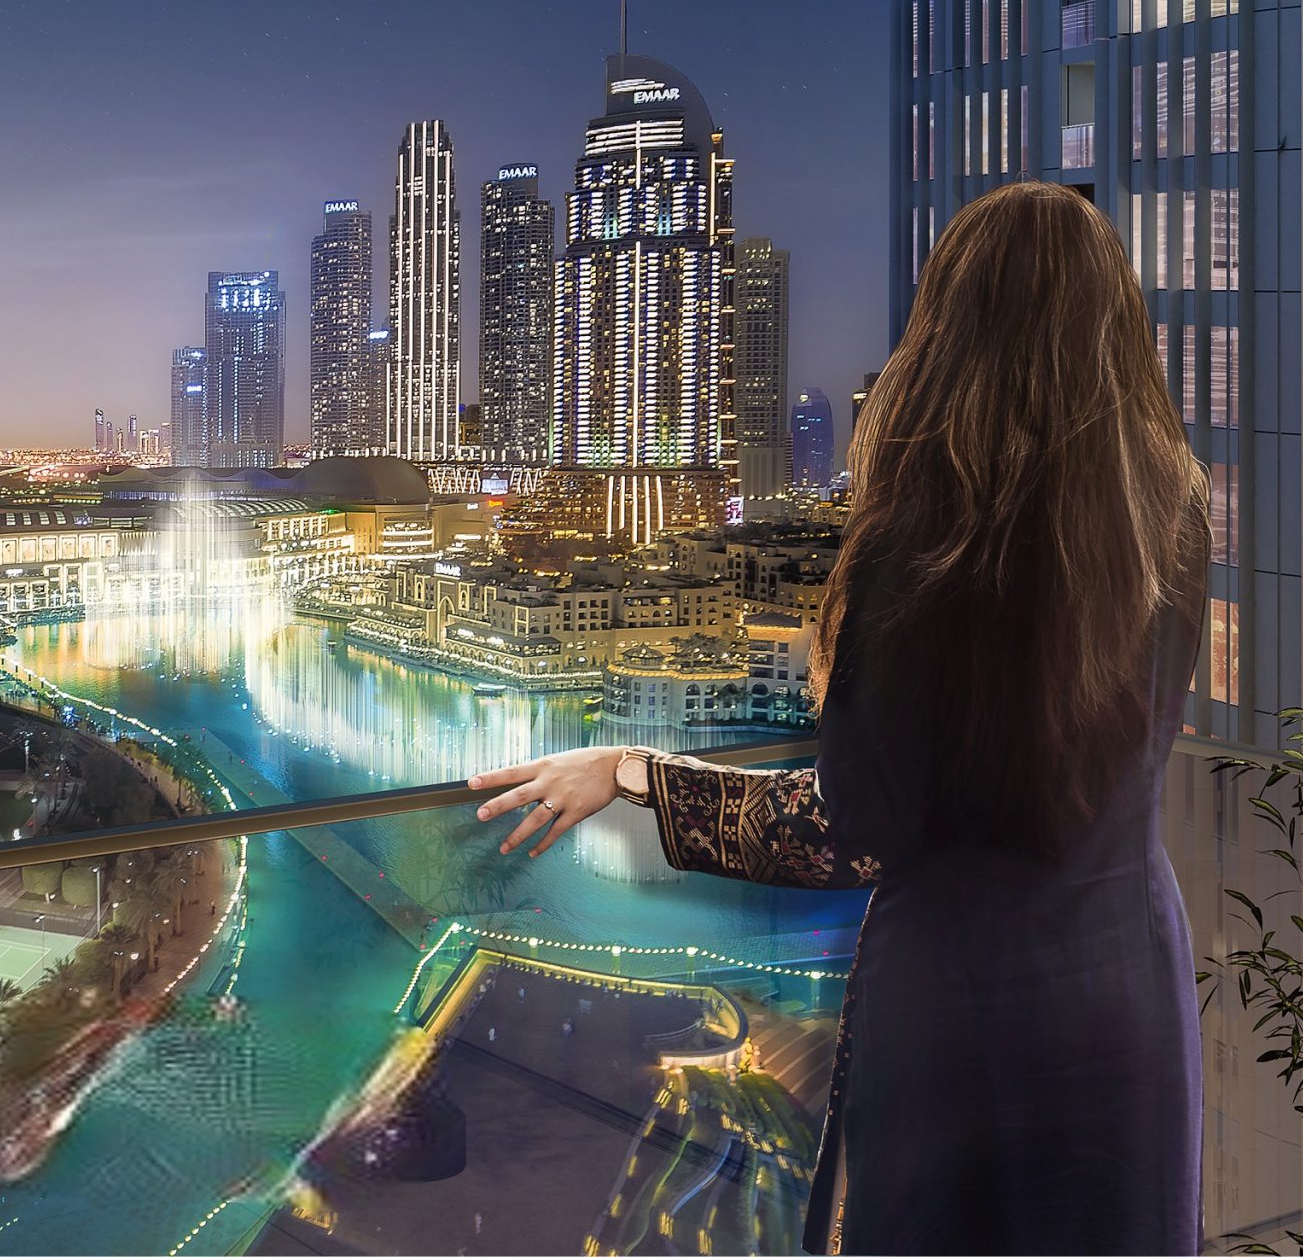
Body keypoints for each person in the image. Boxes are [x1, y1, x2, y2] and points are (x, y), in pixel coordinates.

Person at [470, 181, 1207, 1256]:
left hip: (962, 1007)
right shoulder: (1169, 516)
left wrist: (632, 772)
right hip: (1124, 975)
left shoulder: (929, 549)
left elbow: (843, 830)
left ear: (946, 330)